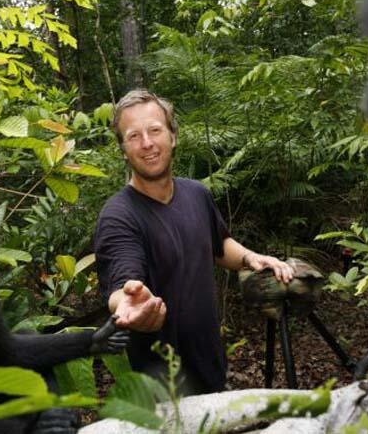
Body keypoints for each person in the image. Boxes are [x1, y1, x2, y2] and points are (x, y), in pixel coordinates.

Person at [94, 89, 297, 394]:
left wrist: (250, 257)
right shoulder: (118, 216)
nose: (147, 143)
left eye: (154, 130)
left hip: (210, 365)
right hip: (164, 389)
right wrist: (130, 305)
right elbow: (122, 284)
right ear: (123, 149)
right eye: (134, 136)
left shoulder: (196, 194)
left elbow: (218, 245)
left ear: (173, 136)